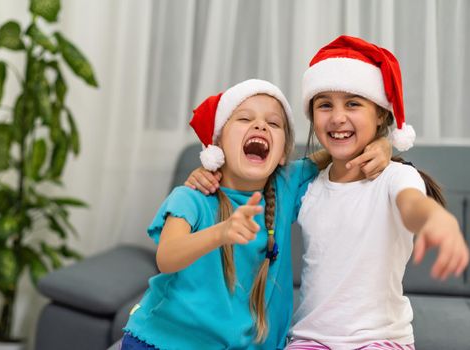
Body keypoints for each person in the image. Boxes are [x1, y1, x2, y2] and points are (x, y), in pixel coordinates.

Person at [285, 35, 469, 350]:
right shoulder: (307, 185)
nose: (337, 117)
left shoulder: (397, 176)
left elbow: (412, 204)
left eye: (353, 103)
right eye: (324, 104)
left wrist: (437, 218)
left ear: (381, 114)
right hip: (310, 338)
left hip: (381, 340)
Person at [122, 79, 320, 349]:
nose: (261, 125)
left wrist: (381, 145)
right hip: (163, 342)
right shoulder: (192, 197)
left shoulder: (285, 187)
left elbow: (338, 154)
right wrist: (221, 232)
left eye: (273, 124)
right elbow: (167, 257)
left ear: (283, 154)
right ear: (217, 145)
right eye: (244, 118)